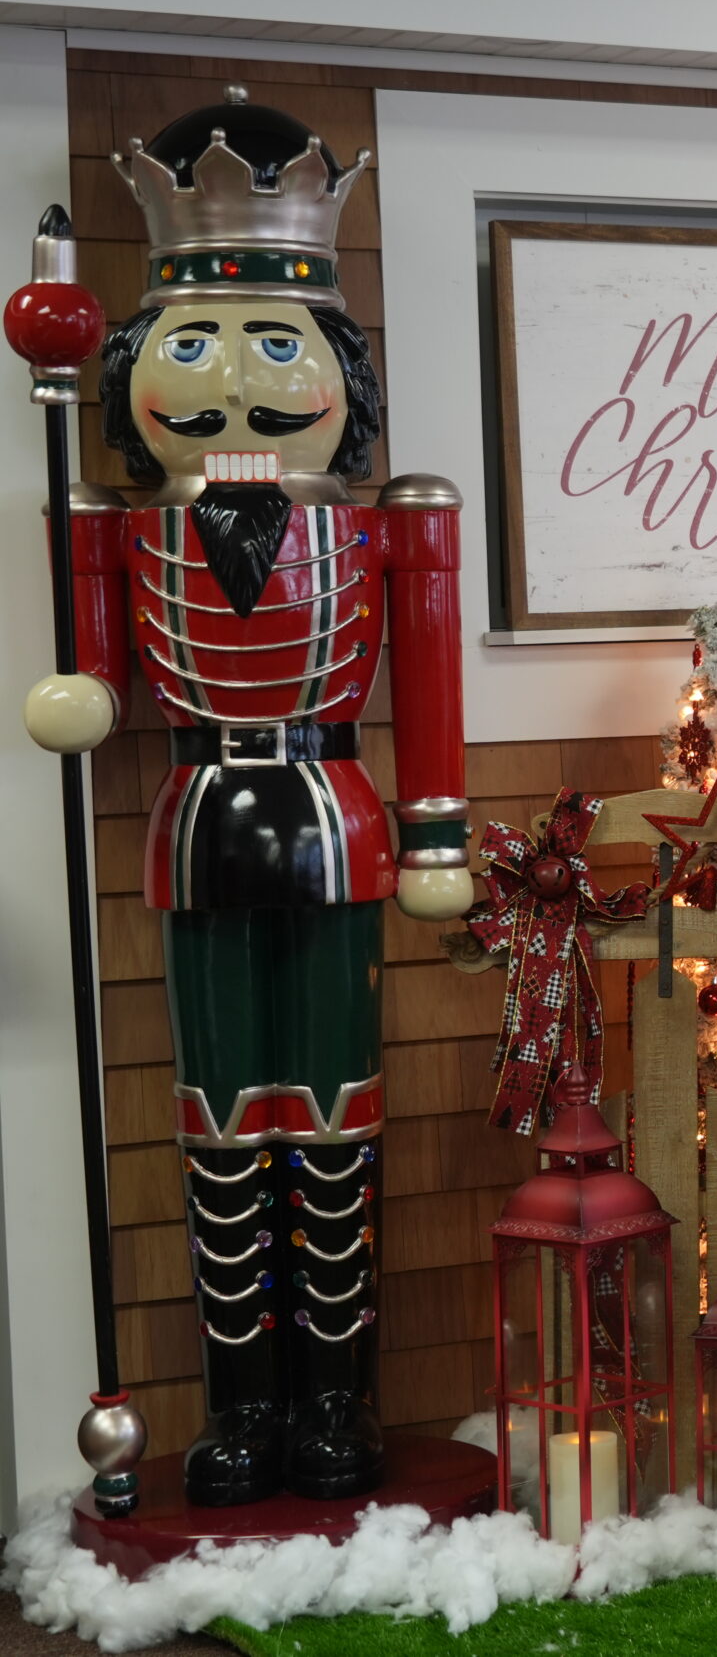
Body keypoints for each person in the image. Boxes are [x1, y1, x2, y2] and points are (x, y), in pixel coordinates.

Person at [26, 87, 467, 1506]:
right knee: (220, 1114)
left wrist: (439, 828)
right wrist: (82, 694)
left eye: (277, 343)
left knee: (337, 1107)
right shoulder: (114, 523)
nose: (233, 381)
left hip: (337, 819)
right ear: (132, 372)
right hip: (199, 825)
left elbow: (432, 681)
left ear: (339, 370)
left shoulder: (395, 518)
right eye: (192, 344)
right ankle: (241, 1403)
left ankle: (336, 1397)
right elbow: (98, 675)